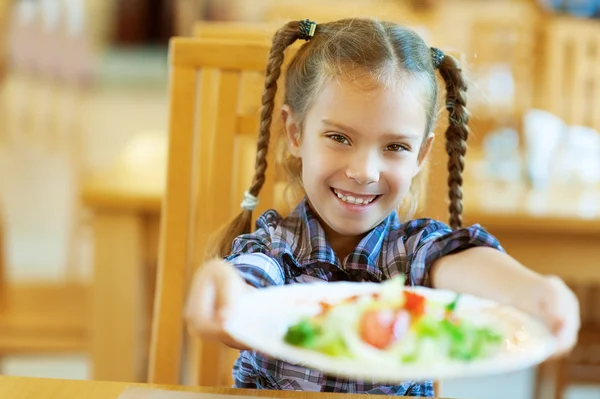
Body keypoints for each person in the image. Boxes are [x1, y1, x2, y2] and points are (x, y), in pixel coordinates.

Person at [185, 18, 579, 396]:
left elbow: (461, 259)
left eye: (395, 147)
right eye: (339, 137)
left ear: (422, 153)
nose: (364, 171)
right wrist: (224, 293)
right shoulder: (274, 247)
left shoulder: (414, 250)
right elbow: (246, 292)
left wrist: (531, 291)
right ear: (295, 133)